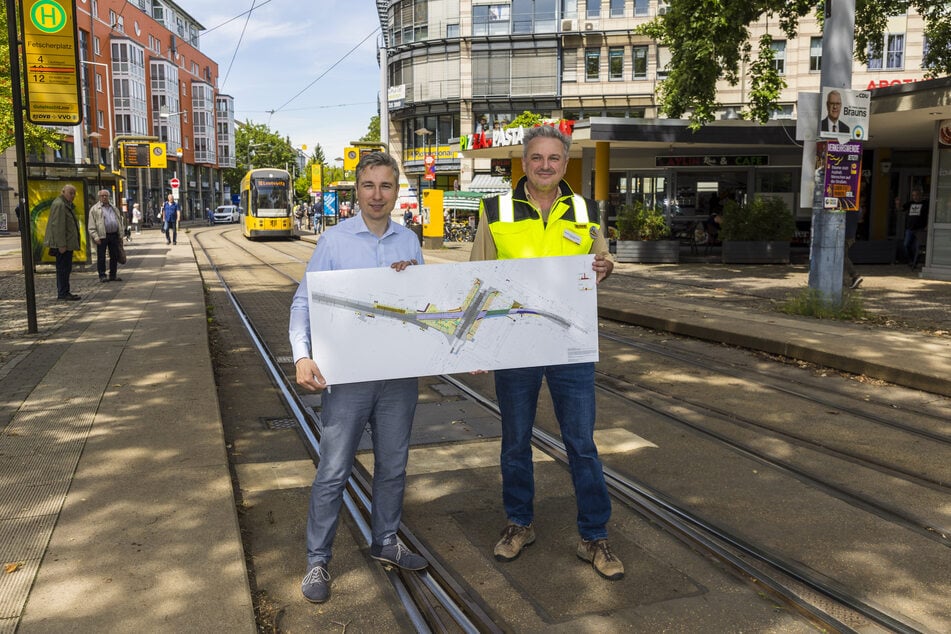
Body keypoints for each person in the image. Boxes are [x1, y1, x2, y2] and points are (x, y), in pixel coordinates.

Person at [469, 125, 623, 581]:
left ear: (564, 162)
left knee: (582, 443)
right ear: (524, 163)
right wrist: (474, 338)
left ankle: (594, 535)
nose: (545, 166)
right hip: (514, 343)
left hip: (569, 344)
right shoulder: (495, 209)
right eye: (536, 158)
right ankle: (519, 524)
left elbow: (604, 260)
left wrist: (605, 266)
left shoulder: (583, 208)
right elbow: (478, 274)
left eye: (554, 159)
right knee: (515, 441)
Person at [288, 151, 427, 604]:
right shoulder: (334, 240)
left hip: (397, 374)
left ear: (396, 191)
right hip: (347, 376)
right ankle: (317, 561)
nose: (377, 195)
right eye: (369, 186)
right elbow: (303, 302)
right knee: (333, 470)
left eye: (386, 186)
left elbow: (422, 304)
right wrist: (302, 355)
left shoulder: (409, 241)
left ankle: (386, 540)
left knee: (394, 465)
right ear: (356, 189)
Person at [42, 184, 81, 301]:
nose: (73, 196)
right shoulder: (60, 204)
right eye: (70, 193)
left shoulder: (65, 204)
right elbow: (58, 226)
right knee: (63, 269)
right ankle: (63, 293)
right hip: (64, 245)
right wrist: (61, 244)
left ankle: (65, 291)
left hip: (67, 244)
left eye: (74, 193)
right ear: (63, 192)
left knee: (65, 268)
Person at [88, 189, 125, 283]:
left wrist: (120, 234)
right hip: (102, 236)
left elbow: (119, 221)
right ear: (99, 197)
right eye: (102, 196)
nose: (104, 197)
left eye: (106, 196)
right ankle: (102, 275)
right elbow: (91, 225)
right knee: (101, 257)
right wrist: (95, 236)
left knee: (114, 256)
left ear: (109, 197)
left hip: (114, 235)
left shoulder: (114, 208)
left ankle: (113, 275)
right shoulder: (95, 209)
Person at [901, 187, 929, 269]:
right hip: (910, 228)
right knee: (906, 245)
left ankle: (915, 263)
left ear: (921, 195)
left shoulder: (925, 203)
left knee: (918, 246)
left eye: (916, 195)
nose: (915, 197)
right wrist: (897, 204)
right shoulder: (910, 203)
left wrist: (927, 225)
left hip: (920, 228)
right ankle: (911, 260)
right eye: (913, 195)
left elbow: (930, 214)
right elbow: (901, 209)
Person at [844, 208, 863, 289]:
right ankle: (844, 280)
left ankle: (855, 275)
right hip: (850, 235)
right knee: (841, 256)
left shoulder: (846, 207)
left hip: (845, 235)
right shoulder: (857, 208)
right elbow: (860, 220)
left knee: (841, 256)